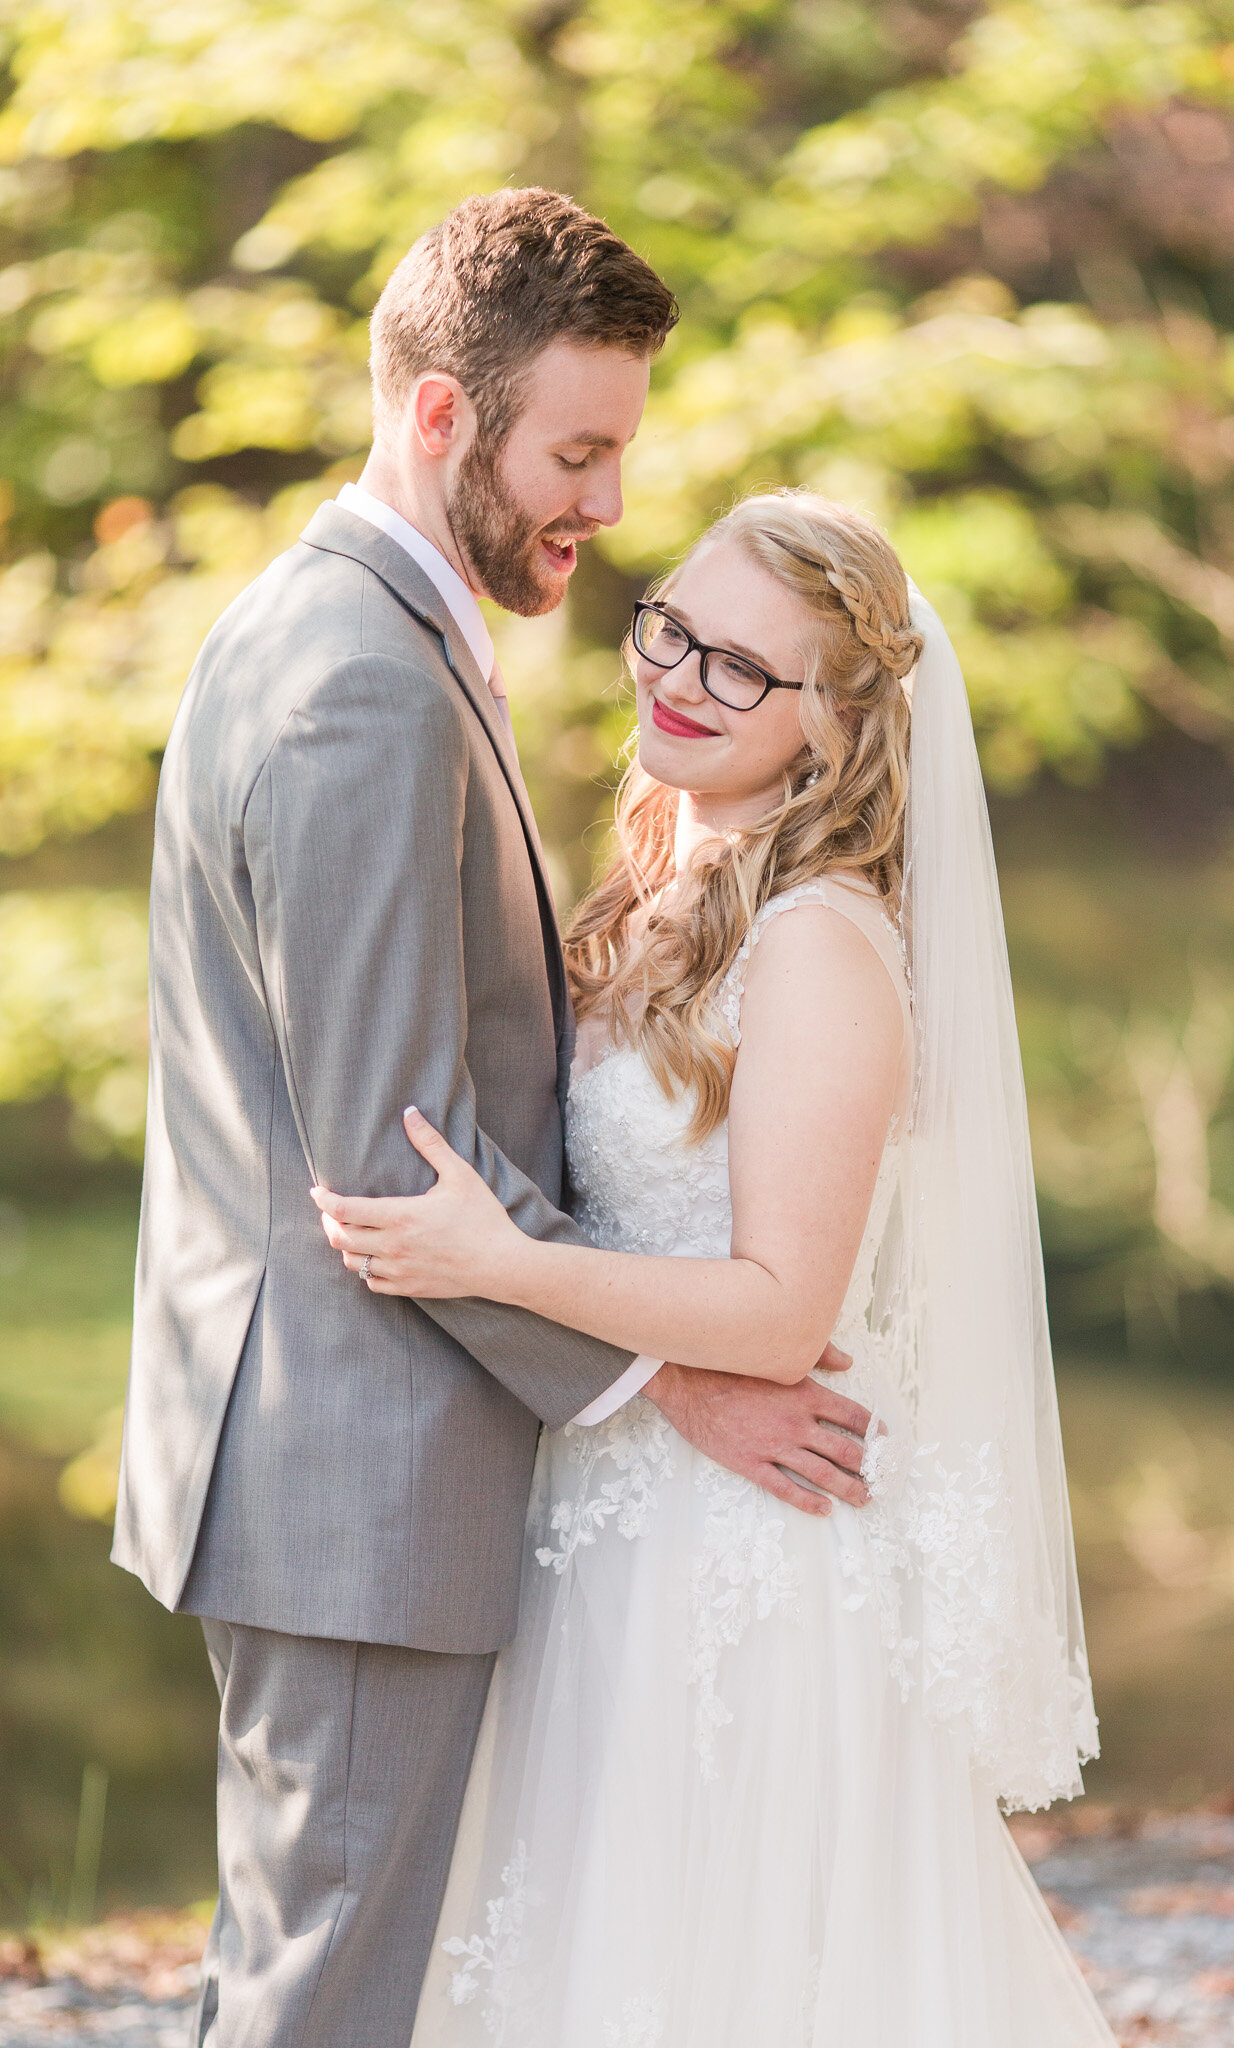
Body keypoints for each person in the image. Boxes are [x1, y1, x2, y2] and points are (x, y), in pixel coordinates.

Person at [112, 189, 873, 2048]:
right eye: (578, 450)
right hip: (350, 1472)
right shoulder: (361, 686)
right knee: (324, 2008)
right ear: (443, 416)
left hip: (336, 1467)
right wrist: (673, 1383)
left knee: (315, 1981)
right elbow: (395, 1170)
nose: (605, 507)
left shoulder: (353, 628)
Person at [313, 490, 1118, 2045]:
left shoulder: (816, 940)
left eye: (742, 668)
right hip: (611, 1510)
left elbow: (781, 1307)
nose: (677, 677)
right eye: (673, 625)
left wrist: (503, 1260)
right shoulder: (660, 881)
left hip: (741, 1557)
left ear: (833, 727)